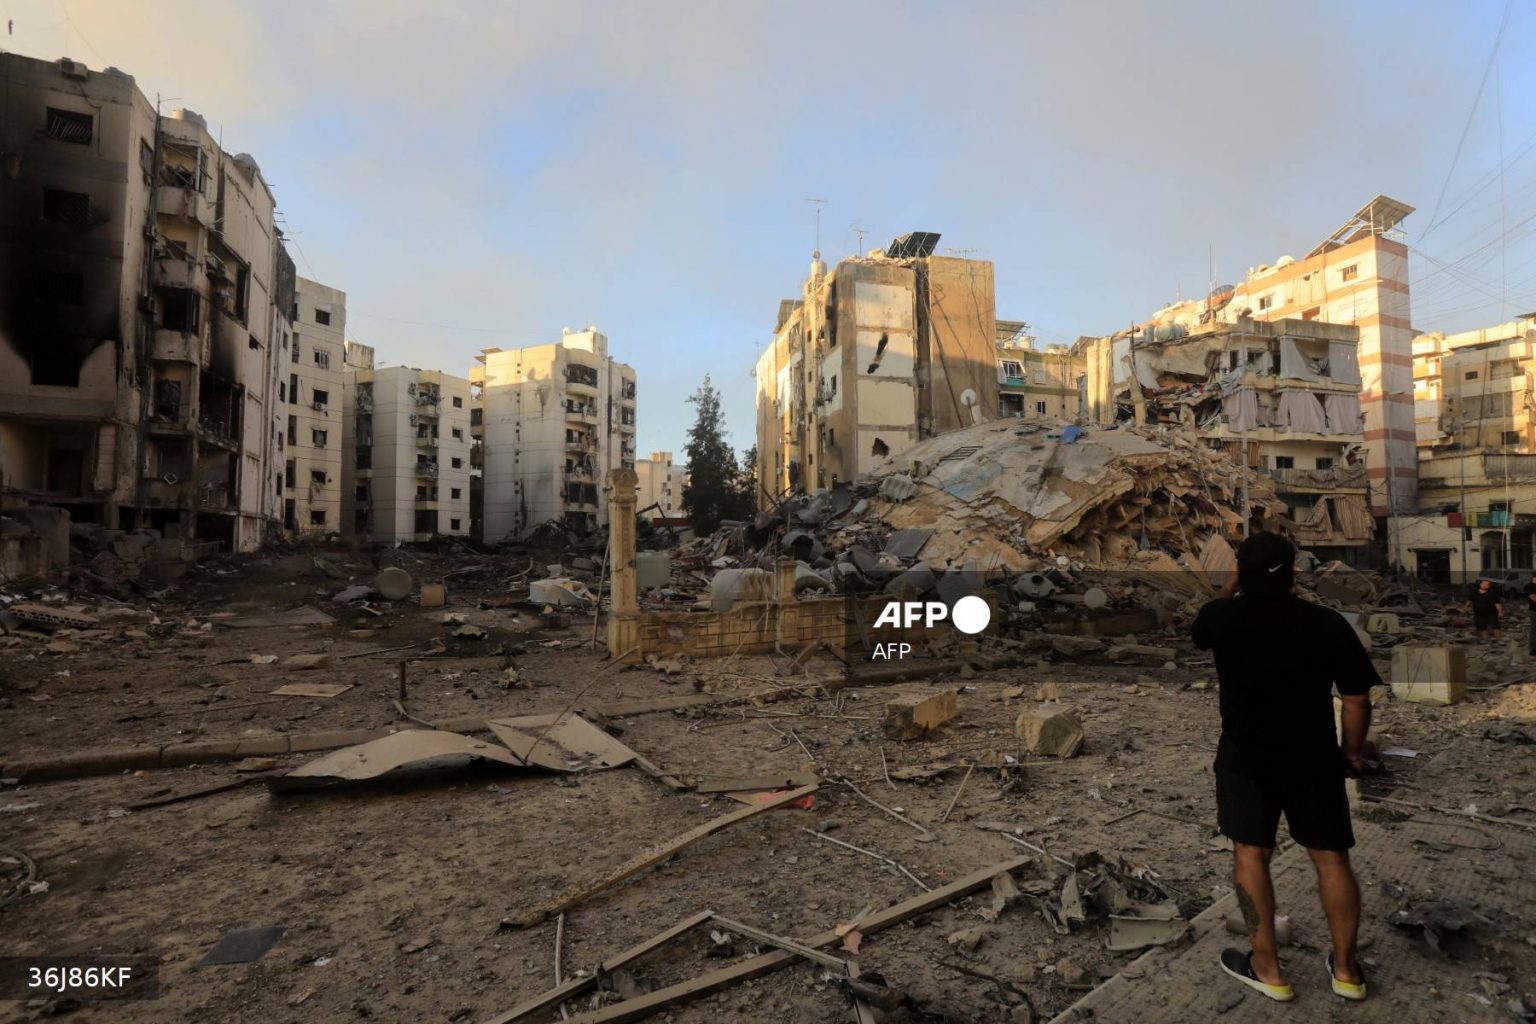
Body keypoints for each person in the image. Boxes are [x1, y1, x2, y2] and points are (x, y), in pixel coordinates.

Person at [1192, 532, 1379, 1003]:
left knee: (1251, 856)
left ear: (1242, 571)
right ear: (1294, 572)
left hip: (1244, 759)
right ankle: (1346, 970)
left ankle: (1268, 969)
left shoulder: (1222, 618)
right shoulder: (1325, 623)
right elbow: (1356, 698)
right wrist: (1351, 753)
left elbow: (1201, 626)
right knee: (1331, 859)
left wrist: (1231, 585)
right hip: (1313, 759)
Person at [1524, 573, 1536, 659]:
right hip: (1534, 611)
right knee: (1534, 631)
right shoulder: (1529, 586)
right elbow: (1534, 598)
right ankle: (1533, 649)